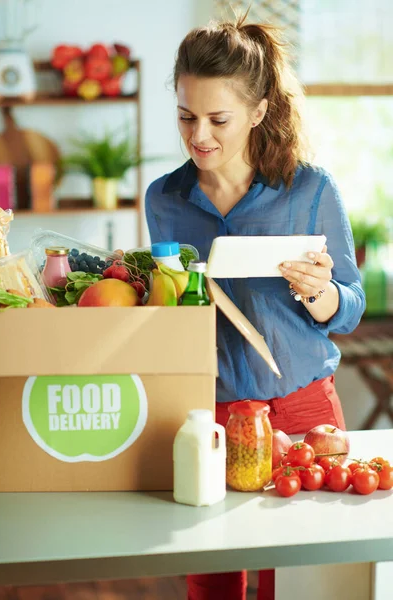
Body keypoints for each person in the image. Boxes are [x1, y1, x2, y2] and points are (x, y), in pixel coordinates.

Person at [145, 12, 366, 600]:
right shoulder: (164, 199)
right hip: (210, 413)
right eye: (186, 116)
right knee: (213, 580)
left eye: (219, 119)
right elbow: (170, 316)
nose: (199, 137)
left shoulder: (311, 191)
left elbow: (350, 310)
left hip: (304, 411)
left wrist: (320, 295)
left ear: (260, 111)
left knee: (299, 583)